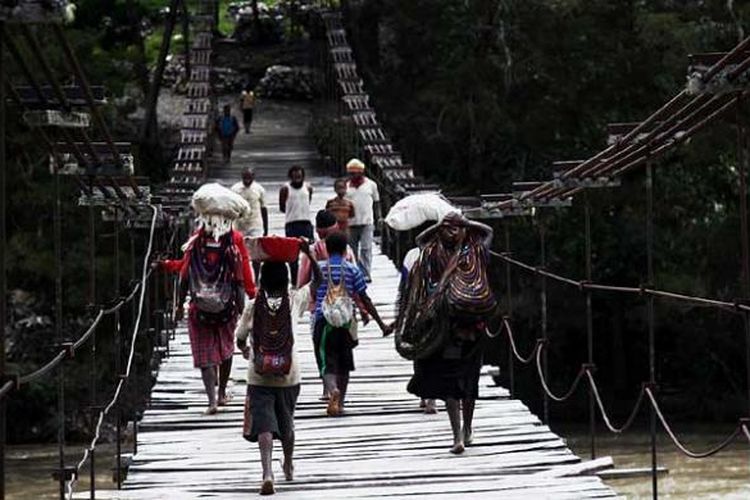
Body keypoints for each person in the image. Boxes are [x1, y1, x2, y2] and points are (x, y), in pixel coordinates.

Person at [394, 213, 495, 454]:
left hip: (459, 329)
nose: (454, 232)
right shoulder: (454, 253)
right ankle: (462, 433)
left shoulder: (455, 253)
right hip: (459, 329)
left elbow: (488, 231)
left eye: (457, 228)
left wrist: (454, 223)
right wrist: (455, 223)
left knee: (461, 382)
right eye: (451, 228)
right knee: (460, 382)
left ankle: (463, 432)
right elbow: (488, 232)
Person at [236, 242, 318, 496]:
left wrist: (245, 350)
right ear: (286, 278)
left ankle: (267, 473)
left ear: (262, 278)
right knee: (287, 422)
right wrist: (310, 255)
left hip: (259, 375)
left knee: (264, 426)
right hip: (289, 374)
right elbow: (318, 282)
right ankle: (289, 464)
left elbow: (240, 335)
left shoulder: (253, 304)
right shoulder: (294, 300)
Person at [160, 215, 257, 415]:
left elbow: (185, 274)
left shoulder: (196, 241)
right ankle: (222, 393)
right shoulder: (234, 241)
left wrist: (179, 306)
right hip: (226, 308)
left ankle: (211, 401)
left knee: (206, 357)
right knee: (226, 349)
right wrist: (245, 306)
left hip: (199, 310)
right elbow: (241, 276)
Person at [311, 231, 391, 417]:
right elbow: (364, 298)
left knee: (326, 362)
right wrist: (381, 324)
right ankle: (341, 402)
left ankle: (332, 391)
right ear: (346, 249)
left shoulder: (320, 269)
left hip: (323, 321)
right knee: (344, 364)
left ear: (327, 249)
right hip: (346, 324)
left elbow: (313, 293)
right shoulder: (353, 270)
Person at [346, 158, 381, 282]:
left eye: (354, 173)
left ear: (361, 172)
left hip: (367, 221)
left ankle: (366, 273)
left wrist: (379, 218)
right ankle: (355, 273)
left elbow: (376, 203)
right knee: (352, 249)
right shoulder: (346, 186)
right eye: (350, 173)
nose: (352, 175)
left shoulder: (371, 185)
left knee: (366, 248)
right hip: (350, 223)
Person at [232, 167, 268, 278]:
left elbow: (263, 208)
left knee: (256, 254)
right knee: (239, 253)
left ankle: (256, 277)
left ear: (253, 177)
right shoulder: (235, 189)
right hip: (239, 225)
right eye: (245, 177)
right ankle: (240, 276)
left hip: (255, 225)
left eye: (249, 176)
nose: (247, 179)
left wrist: (266, 228)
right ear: (242, 176)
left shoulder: (259, 189)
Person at [279, 165, 313, 281]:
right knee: (292, 255)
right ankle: (294, 279)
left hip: (306, 223)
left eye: (299, 175)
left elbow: (308, 201)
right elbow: (282, 207)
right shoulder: (285, 189)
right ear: (291, 176)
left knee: (310, 253)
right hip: (291, 224)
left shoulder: (308, 187)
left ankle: (309, 277)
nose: (297, 178)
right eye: (295, 176)